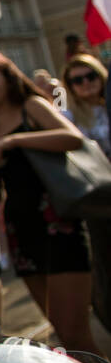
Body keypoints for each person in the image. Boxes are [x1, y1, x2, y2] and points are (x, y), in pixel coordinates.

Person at [0, 52, 102, 357]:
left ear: (8, 79)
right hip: (20, 231)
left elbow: (73, 139)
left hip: (59, 224)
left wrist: (14, 142)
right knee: (62, 338)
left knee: (75, 335)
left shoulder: (31, 107)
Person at [61, 54, 110, 331]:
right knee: (104, 260)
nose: (85, 84)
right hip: (99, 199)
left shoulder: (108, 107)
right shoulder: (71, 116)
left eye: (90, 76)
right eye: (77, 80)